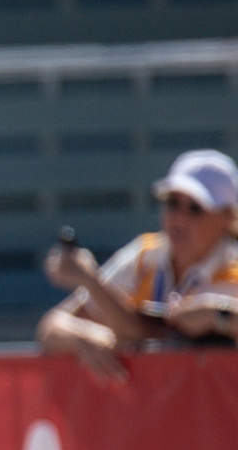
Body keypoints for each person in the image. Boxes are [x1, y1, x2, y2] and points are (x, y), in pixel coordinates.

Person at [37, 148, 238, 386]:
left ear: (228, 217)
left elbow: (142, 333)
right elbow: (51, 326)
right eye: (173, 203)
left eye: (195, 208)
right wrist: (86, 338)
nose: (179, 218)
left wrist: (90, 279)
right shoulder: (146, 253)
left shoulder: (232, 269)